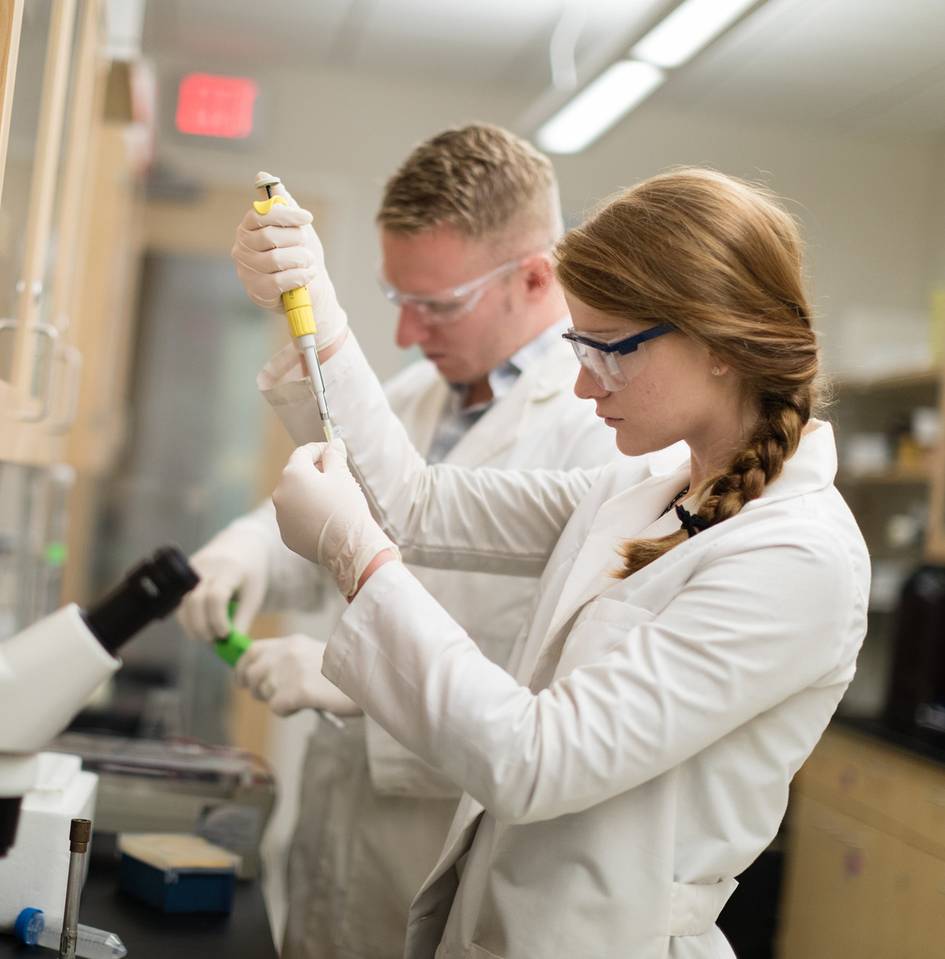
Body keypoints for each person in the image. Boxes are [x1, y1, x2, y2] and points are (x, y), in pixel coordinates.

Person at [236, 167, 870, 959]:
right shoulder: (642, 487)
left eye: (608, 351)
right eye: (579, 346)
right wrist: (316, 313)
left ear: (717, 342)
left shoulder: (796, 558)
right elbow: (417, 503)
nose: (580, 382)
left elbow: (539, 759)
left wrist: (359, 563)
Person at [177, 125, 625, 959]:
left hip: (445, 838)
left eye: (435, 305)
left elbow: (562, 706)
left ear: (535, 276)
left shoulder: (603, 435)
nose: (408, 334)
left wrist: (361, 683)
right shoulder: (422, 391)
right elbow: (347, 507)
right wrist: (242, 551)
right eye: (396, 300)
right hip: (337, 814)